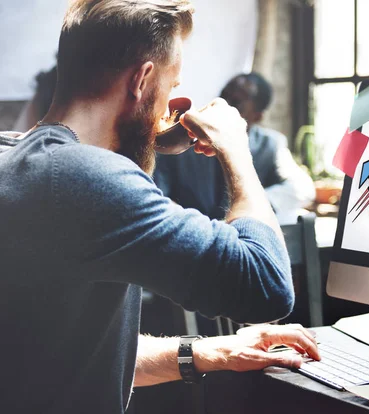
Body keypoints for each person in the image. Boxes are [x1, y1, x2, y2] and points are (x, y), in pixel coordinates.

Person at [0, 1, 319, 414]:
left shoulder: (17, 157)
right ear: (142, 79)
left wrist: (214, 351)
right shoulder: (84, 177)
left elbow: (68, 355)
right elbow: (268, 285)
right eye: (171, 87)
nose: (169, 104)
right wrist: (236, 149)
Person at [153, 72, 315, 223]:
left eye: (236, 102)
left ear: (257, 116)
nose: (225, 105)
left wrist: (249, 207)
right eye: (223, 95)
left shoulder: (270, 145)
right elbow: (157, 195)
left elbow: (302, 188)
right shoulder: (182, 140)